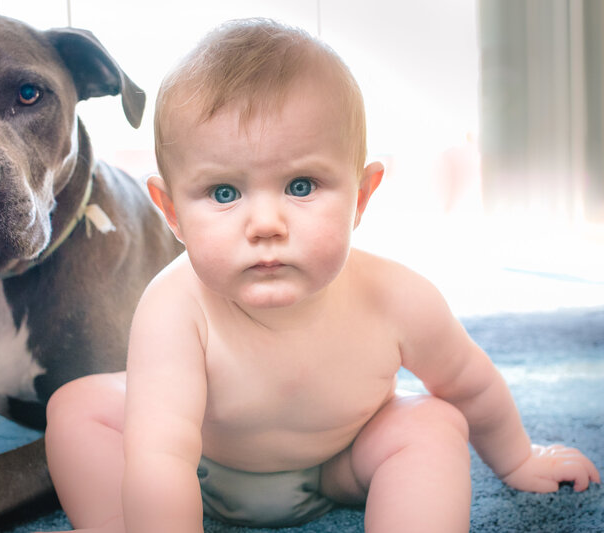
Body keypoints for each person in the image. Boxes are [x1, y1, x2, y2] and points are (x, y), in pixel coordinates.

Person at [43, 18, 600, 533]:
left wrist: (520, 458)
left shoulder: (397, 297)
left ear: (361, 196)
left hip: (340, 463)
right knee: (77, 411)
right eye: (224, 193)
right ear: (171, 212)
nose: (265, 224)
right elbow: (161, 453)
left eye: (301, 186)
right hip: (202, 469)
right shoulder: (173, 307)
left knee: (433, 422)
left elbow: (471, 384)